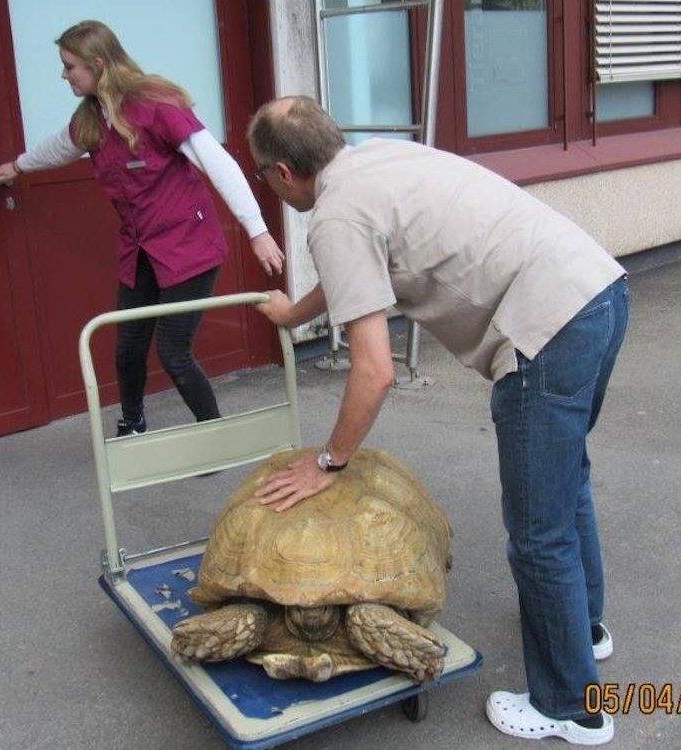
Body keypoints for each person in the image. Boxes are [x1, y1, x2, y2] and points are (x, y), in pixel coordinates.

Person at [246, 96, 628, 746]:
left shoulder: (335, 215)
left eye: (264, 177)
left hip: (544, 330)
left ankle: (570, 707)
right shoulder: (375, 161)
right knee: (568, 484)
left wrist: (326, 463)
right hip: (599, 291)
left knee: (538, 533)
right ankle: (585, 630)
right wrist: (297, 314)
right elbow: (357, 272)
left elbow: (374, 371)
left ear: (282, 173)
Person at [0, 20, 284, 437]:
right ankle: (133, 423)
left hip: (188, 248)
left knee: (173, 351)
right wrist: (17, 167)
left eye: (69, 66)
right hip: (140, 249)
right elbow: (58, 146)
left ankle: (215, 434)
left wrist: (258, 230)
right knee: (128, 346)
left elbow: (218, 163)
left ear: (97, 63)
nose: (63, 75)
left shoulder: (157, 107)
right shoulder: (92, 118)